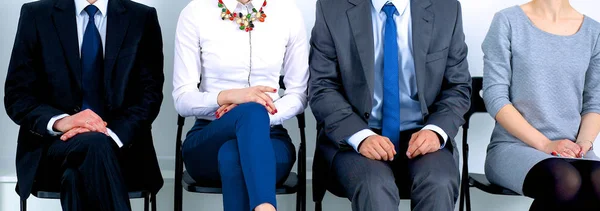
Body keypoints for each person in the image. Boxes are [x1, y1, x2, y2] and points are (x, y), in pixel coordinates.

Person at [308, 0, 471, 210]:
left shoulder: (446, 8)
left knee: (439, 182)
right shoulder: (332, 7)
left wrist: (435, 131)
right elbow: (322, 86)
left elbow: (458, 87)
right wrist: (361, 136)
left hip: (422, 134)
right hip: (355, 138)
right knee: (374, 186)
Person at [4, 0, 164, 210]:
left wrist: (108, 133)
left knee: (76, 175)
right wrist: (64, 122)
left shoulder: (141, 17)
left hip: (123, 147)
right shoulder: (36, 14)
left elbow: (149, 97)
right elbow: (17, 96)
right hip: (52, 148)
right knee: (94, 147)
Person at [172, 0, 309, 210]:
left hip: (270, 138)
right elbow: (182, 98)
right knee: (249, 114)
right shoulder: (195, 12)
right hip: (208, 137)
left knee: (233, 153)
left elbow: (299, 94)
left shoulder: (288, 12)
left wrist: (252, 112)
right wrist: (231, 96)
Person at [483, 0, 600, 210]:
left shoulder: (594, 32)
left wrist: (584, 143)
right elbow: (495, 97)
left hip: (572, 149)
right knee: (564, 180)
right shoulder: (507, 21)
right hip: (514, 147)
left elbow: (595, 102)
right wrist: (546, 145)